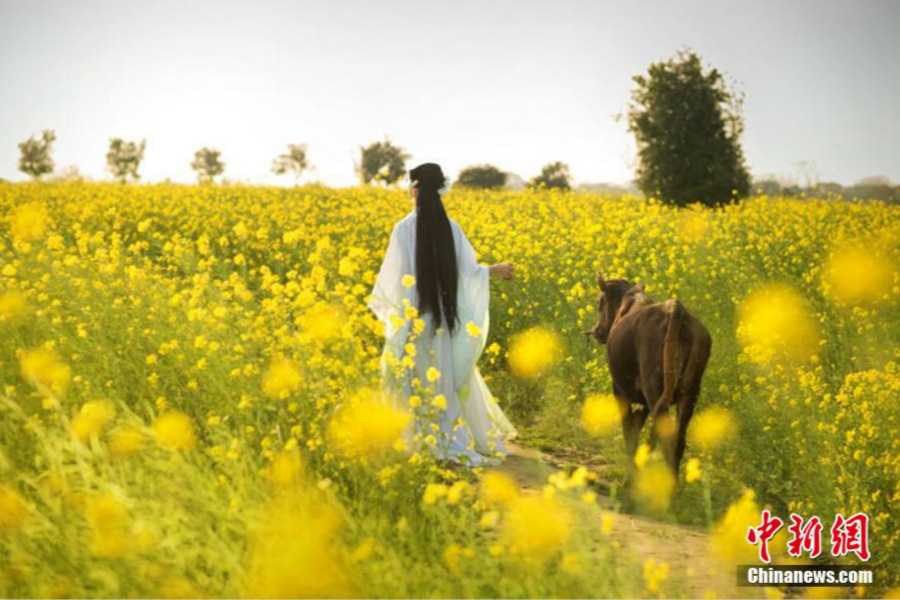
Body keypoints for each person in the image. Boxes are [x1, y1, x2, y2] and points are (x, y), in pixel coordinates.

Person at [368, 162, 517, 466]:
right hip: (443, 320)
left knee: (411, 379)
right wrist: (493, 271)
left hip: (413, 320)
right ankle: (447, 436)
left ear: (415, 190)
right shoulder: (451, 227)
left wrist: (395, 317)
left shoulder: (403, 229)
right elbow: (469, 272)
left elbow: (394, 281)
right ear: (440, 192)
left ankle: (411, 437)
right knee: (442, 381)